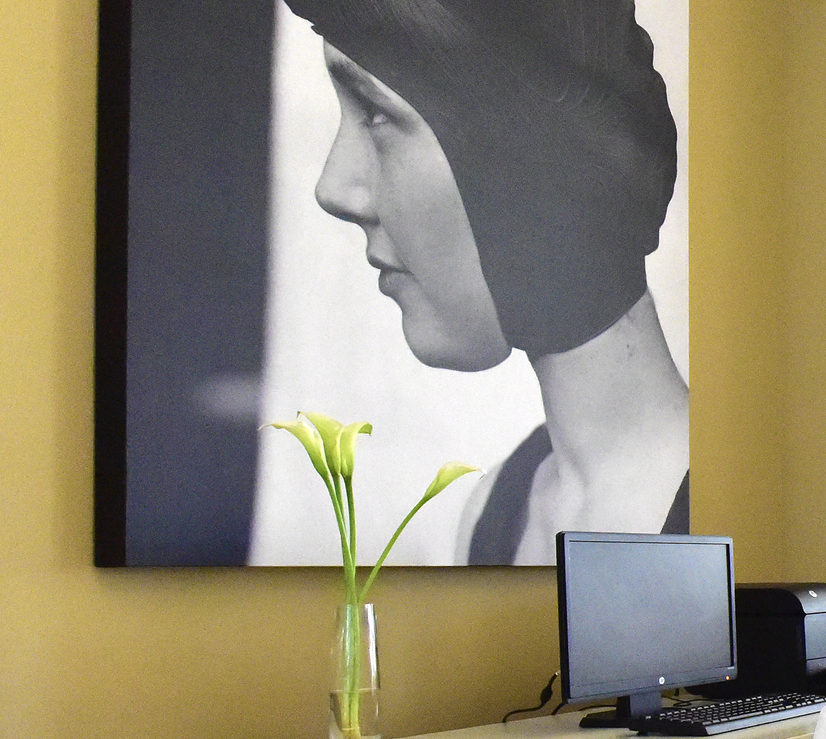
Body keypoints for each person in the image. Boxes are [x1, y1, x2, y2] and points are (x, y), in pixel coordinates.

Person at [289, 0, 690, 565]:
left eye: (376, 114)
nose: (334, 188)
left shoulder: (737, 509)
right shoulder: (494, 512)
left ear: (533, 157)